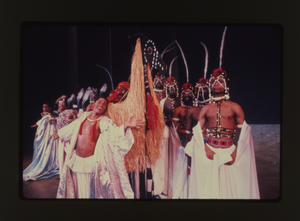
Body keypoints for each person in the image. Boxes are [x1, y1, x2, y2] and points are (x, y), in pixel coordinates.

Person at [185, 68, 260, 199]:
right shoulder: (206, 109)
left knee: (231, 191)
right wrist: (206, 147)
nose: (216, 84)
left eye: (220, 81)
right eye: (213, 81)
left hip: (229, 152)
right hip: (210, 153)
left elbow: (244, 132)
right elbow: (197, 131)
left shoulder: (235, 107)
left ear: (226, 84)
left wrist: (236, 152)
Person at [54, 96, 144, 198]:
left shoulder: (105, 121)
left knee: (88, 191)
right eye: (99, 102)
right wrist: (60, 134)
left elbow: (114, 133)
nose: (101, 105)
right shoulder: (83, 117)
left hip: (90, 164)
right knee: (77, 190)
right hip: (76, 161)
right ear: (93, 104)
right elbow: (72, 128)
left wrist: (125, 125)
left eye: (104, 104)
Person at [23, 103, 59, 181]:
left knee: (48, 147)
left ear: (49, 108)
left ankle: (47, 163)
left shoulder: (49, 116)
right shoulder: (45, 116)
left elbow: (43, 125)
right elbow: (40, 122)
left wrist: (39, 133)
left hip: (48, 134)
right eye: (43, 107)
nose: (44, 108)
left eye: (46, 107)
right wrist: (36, 128)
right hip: (45, 134)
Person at [48, 96, 75, 178]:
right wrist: (56, 131)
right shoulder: (59, 114)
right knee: (61, 155)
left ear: (66, 106)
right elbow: (59, 124)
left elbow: (75, 113)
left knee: (68, 154)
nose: (60, 105)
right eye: (59, 104)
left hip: (67, 137)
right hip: (61, 137)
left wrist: (70, 117)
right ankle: (63, 173)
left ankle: (70, 173)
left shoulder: (68, 111)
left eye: (63, 104)